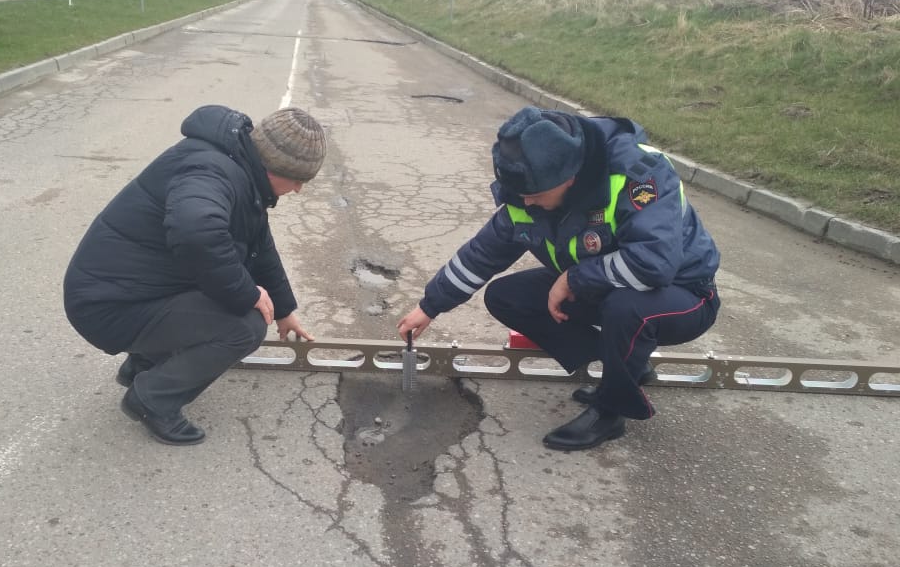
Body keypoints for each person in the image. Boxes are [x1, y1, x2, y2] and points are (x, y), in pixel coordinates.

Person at [397, 106, 720, 451]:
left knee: (627, 308)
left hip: (684, 294)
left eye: (535, 194)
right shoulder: (527, 192)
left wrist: (573, 278)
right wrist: (429, 307)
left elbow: (654, 264)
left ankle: (610, 412)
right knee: (505, 296)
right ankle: (624, 368)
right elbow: (482, 254)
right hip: (605, 288)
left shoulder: (639, 175)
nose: (526, 202)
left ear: (571, 177)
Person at [63, 105, 325, 445]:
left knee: (225, 295)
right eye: (299, 181)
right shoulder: (211, 172)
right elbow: (196, 232)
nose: (299, 190)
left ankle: (142, 366)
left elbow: (260, 245)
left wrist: (285, 310)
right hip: (109, 305)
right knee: (245, 325)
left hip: (122, 293)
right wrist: (247, 294)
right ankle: (152, 399)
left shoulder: (241, 170)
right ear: (277, 168)